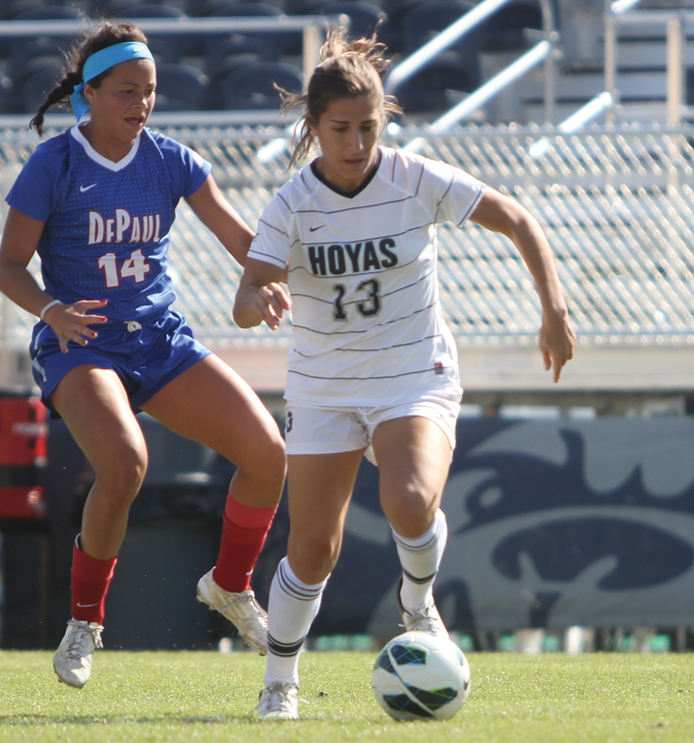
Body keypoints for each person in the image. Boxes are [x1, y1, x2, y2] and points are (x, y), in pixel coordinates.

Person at [233, 29, 576, 720]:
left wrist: (555, 308)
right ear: (313, 127)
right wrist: (259, 299)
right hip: (324, 385)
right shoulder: (291, 203)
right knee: (312, 547)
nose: (356, 142)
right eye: (340, 129)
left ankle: (417, 600)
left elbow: (517, 219)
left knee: (412, 500)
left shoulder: (416, 177)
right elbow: (246, 297)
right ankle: (279, 681)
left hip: (412, 371)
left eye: (368, 126)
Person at [0, 21, 286, 689]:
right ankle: (84, 622)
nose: (142, 103)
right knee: (125, 464)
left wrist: (268, 280)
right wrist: (50, 310)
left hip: (160, 340)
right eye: (127, 90)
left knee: (269, 454)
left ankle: (230, 585)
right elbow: (9, 268)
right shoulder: (54, 164)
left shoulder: (171, 159)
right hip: (81, 341)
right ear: (89, 95)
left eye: (150, 91)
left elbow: (245, 243)